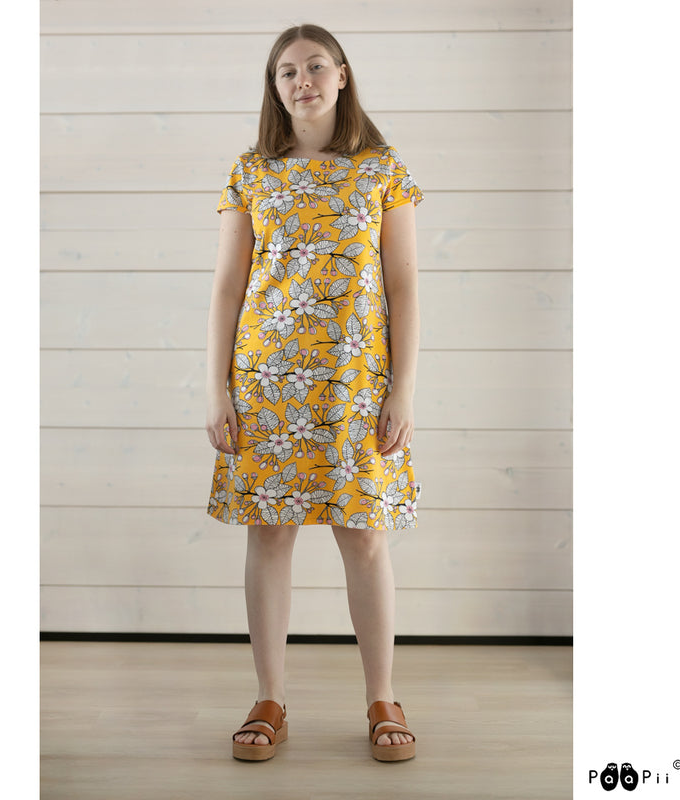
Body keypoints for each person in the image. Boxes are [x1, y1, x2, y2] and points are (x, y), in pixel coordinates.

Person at [204, 24, 422, 763]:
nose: (302, 80)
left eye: (315, 67)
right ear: (274, 87)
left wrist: (403, 389)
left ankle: (382, 698)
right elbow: (228, 286)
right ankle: (269, 698)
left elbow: (403, 286)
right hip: (266, 384)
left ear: (342, 76)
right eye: (287, 71)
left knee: (364, 538)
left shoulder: (381, 170)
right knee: (269, 533)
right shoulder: (251, 173)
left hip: (358, 388)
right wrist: (216, 387)